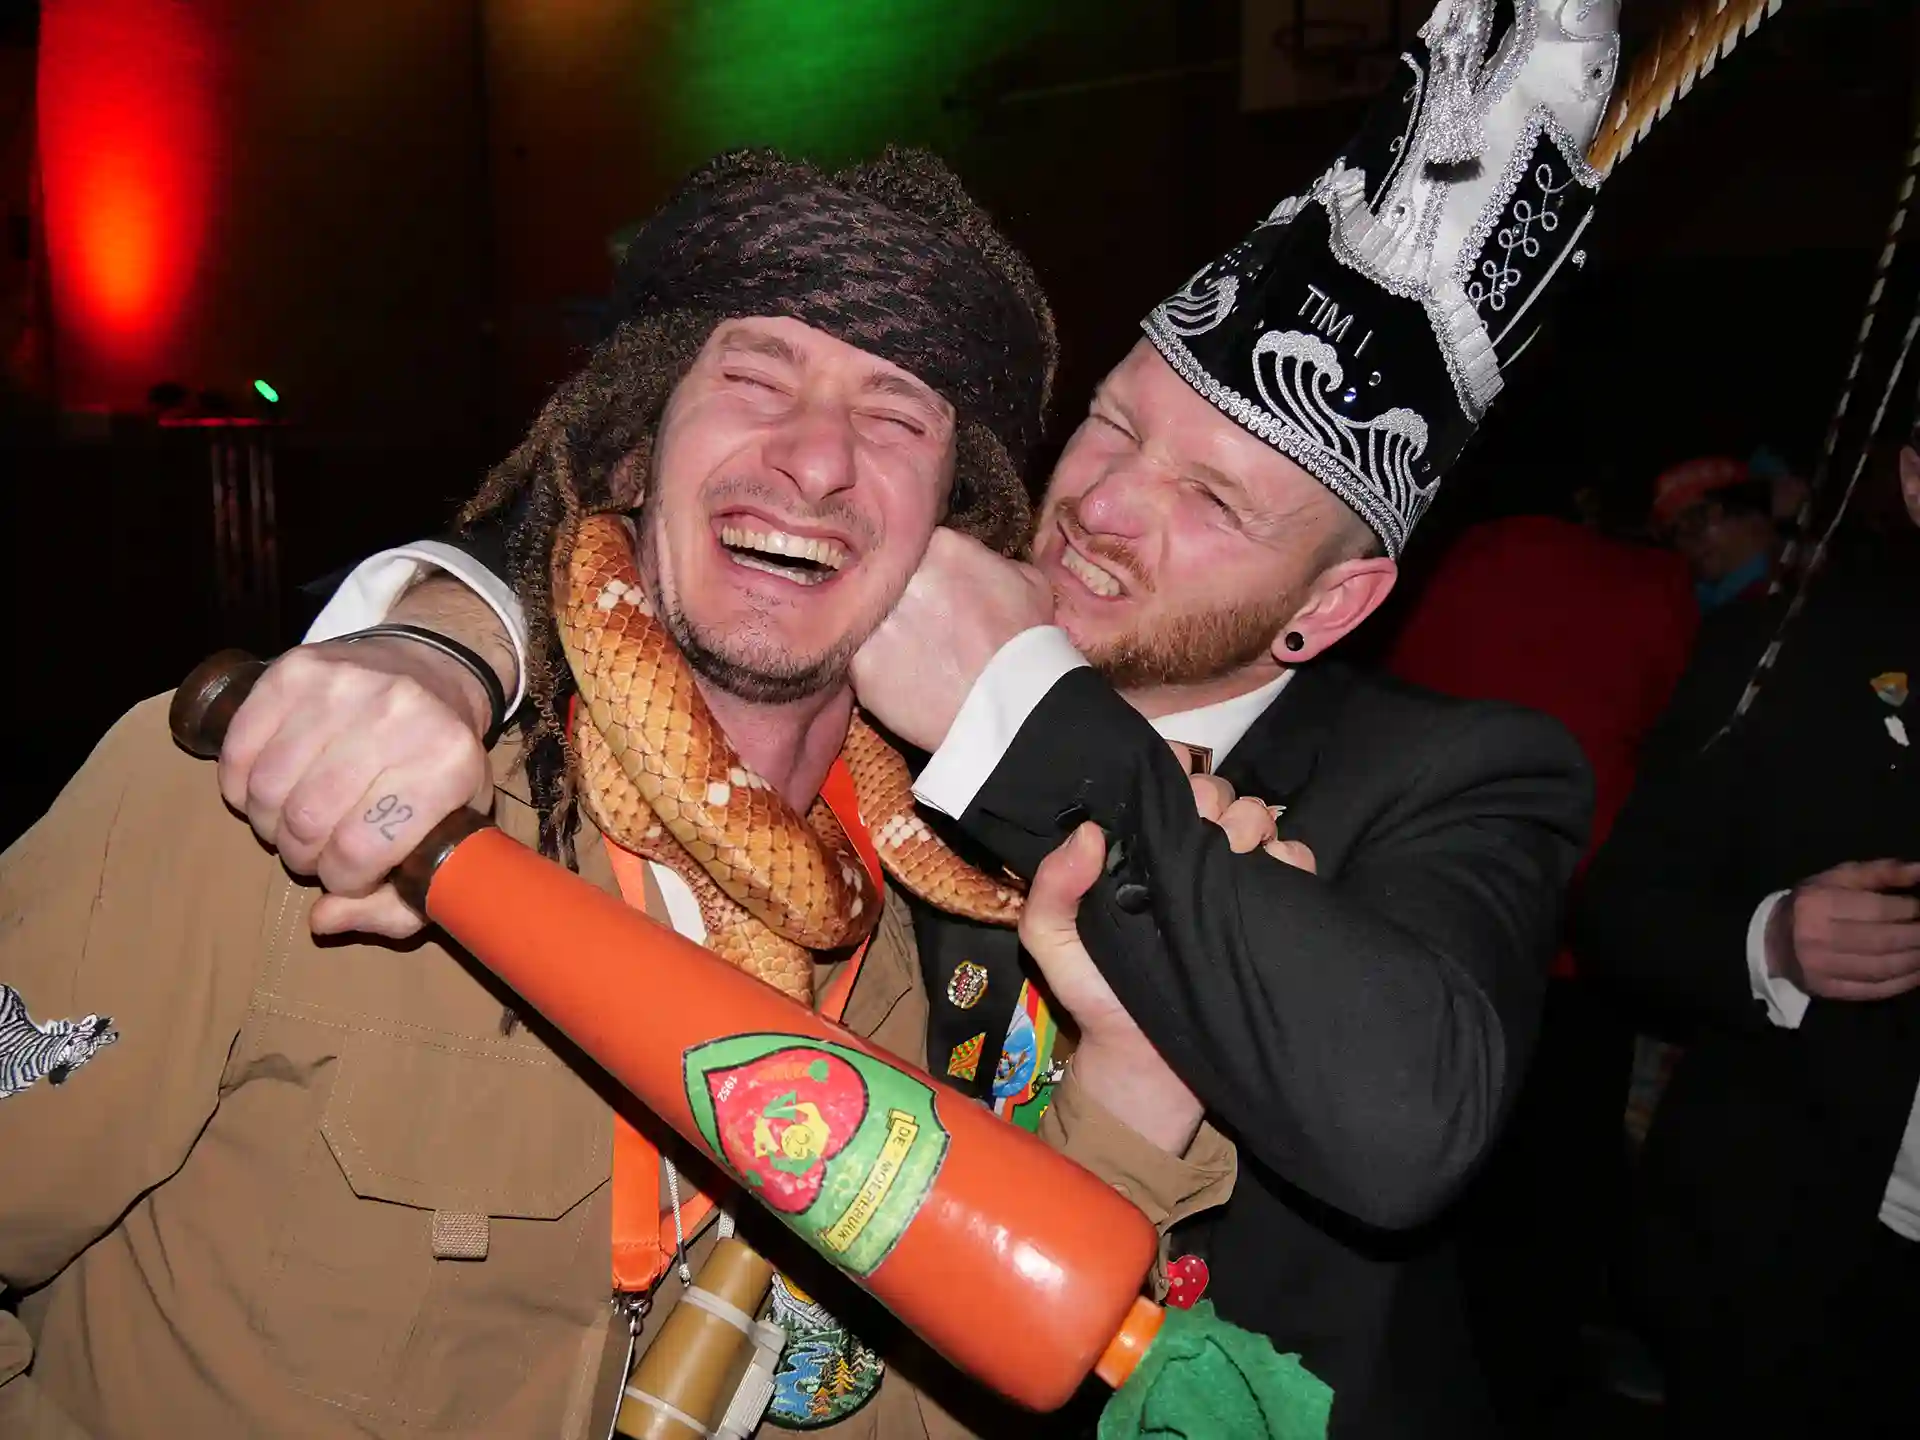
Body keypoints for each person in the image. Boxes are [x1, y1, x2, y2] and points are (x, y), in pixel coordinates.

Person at [294, 4, 1616, 1432]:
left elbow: (1411, 1125)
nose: (1105, 507)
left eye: (1214, 502)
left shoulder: (1451, 773)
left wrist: (1023, 710)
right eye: (1116, 426)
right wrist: (444, 630)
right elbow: (662, 522)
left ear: (1332, 604)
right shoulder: (906, 659)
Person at [0, 148, 1256, 1440]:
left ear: (948, 532)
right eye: (756, 376)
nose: (816, 460)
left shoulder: (898, 977)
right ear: (638, 449)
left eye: (896, 417)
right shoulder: (301, 789)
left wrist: (1141, 1067)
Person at [1572, 411, 1920, 1434]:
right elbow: (1618, 910)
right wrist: (1774, 942)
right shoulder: (1786, 651)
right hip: (1810, 1259)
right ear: (1915, 480)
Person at [1381, 503, 1697, 1429]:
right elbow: (1682, 746)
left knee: (1419, 1200)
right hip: (1566, 941)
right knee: (1545, 1218)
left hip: (1415, 917)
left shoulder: (1475, 549)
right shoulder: (1663, 592)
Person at [1649, 454, 1783, 612]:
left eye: (1697, 518)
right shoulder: (1685, 610)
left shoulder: (1797, 585)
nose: (1685, 542)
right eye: (1673, 532)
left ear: (1754, 512)